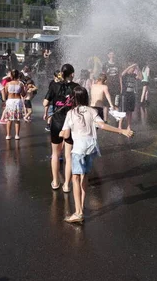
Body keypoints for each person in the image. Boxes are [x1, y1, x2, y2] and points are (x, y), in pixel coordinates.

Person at [61, 86, 134, 223]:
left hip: (78, 150)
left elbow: (65, 135)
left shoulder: (71, 113)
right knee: (85, 176)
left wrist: (61, 133)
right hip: (91, 148)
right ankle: (81, 207)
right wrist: (121, 131)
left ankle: (78, 213)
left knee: (75, 179)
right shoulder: (92, 111)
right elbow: (103, 125)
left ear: (74, 99)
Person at [43, 64, 79, 192]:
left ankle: (56, 182)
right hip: (70, 124)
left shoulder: (54, 86)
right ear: (72, 74)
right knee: (68, 156)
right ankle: (66, 185)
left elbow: (45, 102)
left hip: (57, 123)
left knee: (55, 154)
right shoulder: (76, 87)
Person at [1, 69, 25, 140]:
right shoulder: (20, 84)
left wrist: (3, 101)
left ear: (11, 75)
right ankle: (17, 135)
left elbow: (5, 94)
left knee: (9, 119)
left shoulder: (8, 84)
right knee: (17, 119)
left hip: (10, 101)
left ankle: (8, 135)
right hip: (17, 100)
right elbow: (23, 94)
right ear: (18, 75)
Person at [119, 62, 141, 130]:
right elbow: (122, 73)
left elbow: (140, 77)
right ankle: (119, 126)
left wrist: (137, 68)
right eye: (132, 68)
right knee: (123, 111)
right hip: (125, 94)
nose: (133, 69)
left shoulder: (134, 75)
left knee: (130, 111)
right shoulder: (125, 75)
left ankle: (129, 126)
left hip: (132, 94)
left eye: (134, 68)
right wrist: (131, 66)